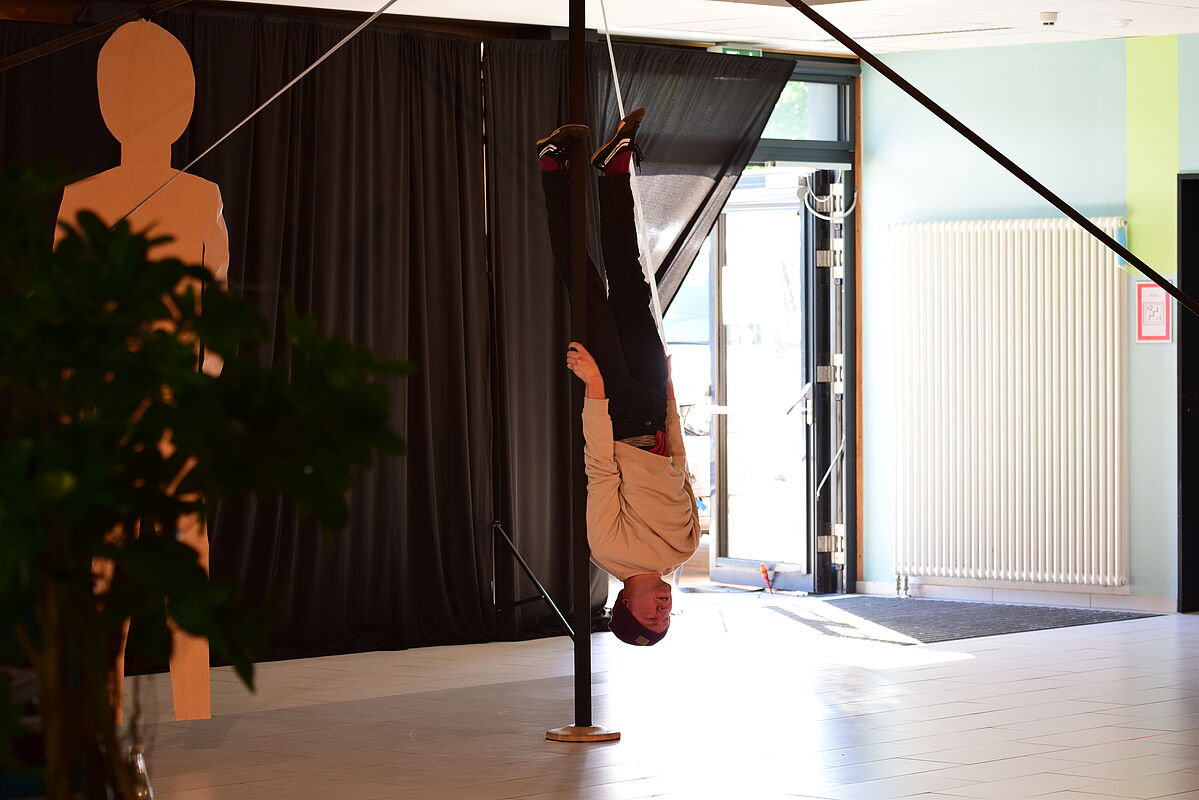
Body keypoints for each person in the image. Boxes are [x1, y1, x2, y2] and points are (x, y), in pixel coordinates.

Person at [538, 108, 701, 647]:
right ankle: (613, 169)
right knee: (631, 280)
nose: (663, 609)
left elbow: (601, 471)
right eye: (666, 619)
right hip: (651, 405)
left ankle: (553, 168)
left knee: (583, 281)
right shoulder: (685, 549)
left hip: (616, 413)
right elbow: (679, 466)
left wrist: (595, 388)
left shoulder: (608, 552)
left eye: (651, 617)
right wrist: (670, 397)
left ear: (623, 606)